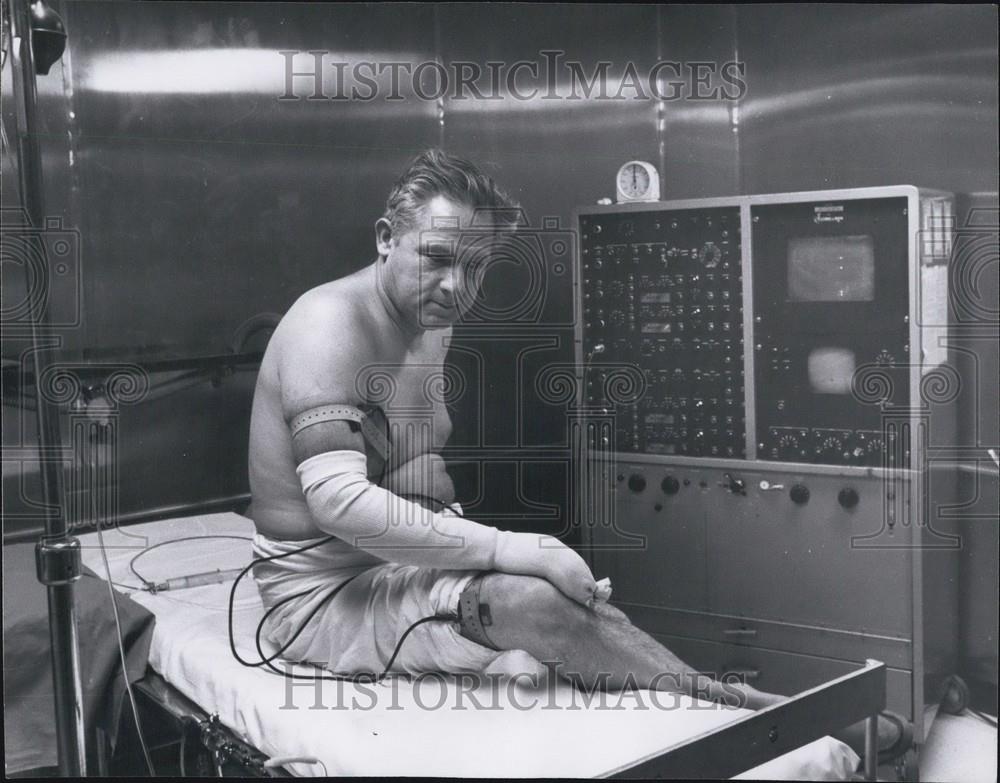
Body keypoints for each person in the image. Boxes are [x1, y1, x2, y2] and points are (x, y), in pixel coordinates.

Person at [246, 148, 908, 760]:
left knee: (557, 596)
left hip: (398, 567)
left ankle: (708, 691)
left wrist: (504, 570)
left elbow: (417, 467)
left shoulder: (428, 322)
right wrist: (510, 553)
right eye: (438, 257)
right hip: (322, 594)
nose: (456, 285)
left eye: (475, 266)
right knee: (534, 599)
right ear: (387, 238)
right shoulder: (330, 322)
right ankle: (750, 706)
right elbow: (335, 500)